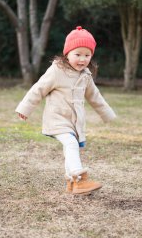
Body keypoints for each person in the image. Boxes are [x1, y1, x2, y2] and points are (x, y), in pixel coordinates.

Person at [15, 26, 117, 195]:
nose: (82, 59)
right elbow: (38, 89)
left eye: (87, 55)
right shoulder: (57, 71)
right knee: (70, 144)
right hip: (57, 120)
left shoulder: (86, 75)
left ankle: (71, 182)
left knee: (71, 146)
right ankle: (80, 180)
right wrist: (25, 108)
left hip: (74, 123)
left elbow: (95, 96)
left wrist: (107, 113)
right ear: (67, 53)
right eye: (78, 54)